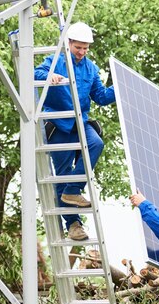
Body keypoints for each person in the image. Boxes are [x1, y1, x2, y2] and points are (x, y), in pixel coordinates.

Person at [34, 22, 115, 241]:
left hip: (80, 122)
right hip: (59, 124)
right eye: (79, 47)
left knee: (96, 143)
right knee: (61, 174)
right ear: (69, 43)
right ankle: (73, 224)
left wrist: (120, 87)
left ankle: (74, 188)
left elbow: (101, 96)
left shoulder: (91, 69)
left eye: (86, 48)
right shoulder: (56, 61)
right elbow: (37, 72)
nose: (82, 52)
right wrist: (48, 77)